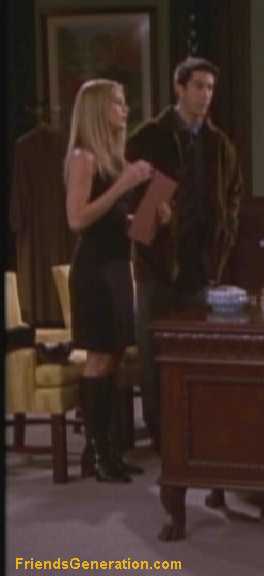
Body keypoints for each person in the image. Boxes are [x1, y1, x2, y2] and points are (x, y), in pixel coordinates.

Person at [125, 57, 243, 449]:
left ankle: (194, 435)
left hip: (201, 264)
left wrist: (223, 240)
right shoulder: (150, 137)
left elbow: (234, 196)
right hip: (157, 262)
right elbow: (125, 192)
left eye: (210, 88)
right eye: (198, 86)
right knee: (154, 354)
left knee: (197, 353)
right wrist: (153, 213)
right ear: (180, 88)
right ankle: (161, 436)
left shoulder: (219, 144)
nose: (205, 95)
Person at [65, 79, 154, 482]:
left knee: (116, 355)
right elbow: (77, 219)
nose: (125, 109)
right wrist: (124, 184)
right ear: (98, 110)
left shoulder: (112, 160)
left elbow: (113, 220)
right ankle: (96, 452)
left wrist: (147, 215)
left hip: (117, 267)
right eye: (117, 103)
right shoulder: (83, 157)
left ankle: (106, 450)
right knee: (99, 357)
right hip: (95, 271)